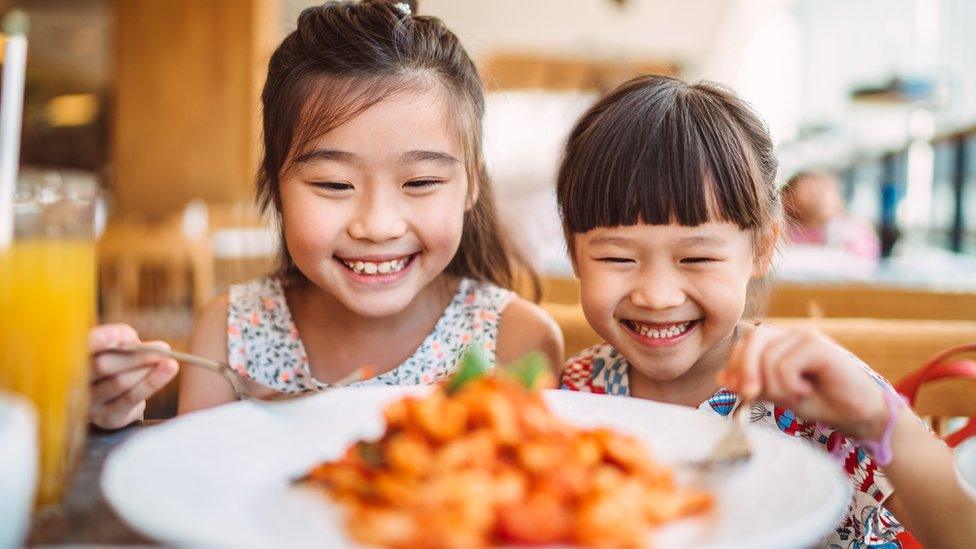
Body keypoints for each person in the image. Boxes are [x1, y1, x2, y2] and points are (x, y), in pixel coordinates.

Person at [88, 0, 562, 430]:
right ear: (275, 185)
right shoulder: (231, 332)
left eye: (420, 183)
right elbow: (190, 495)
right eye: (334, 185)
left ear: (472, 184)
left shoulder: (515, 341)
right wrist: (113, 423)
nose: (377, 226)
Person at [555, 74, 975, 547]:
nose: (657, 296)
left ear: (761, 247)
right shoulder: (570, 399)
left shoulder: (814, 391)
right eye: (617, 258)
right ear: (573, 253)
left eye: (696, 258)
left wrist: (877, 422)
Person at [781, 170, 880, 261]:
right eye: (810, 190)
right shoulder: (784, 233)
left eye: (821, 189)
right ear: (787, 199)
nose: (815, 194)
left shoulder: (855, 232)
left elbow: (863, 262)